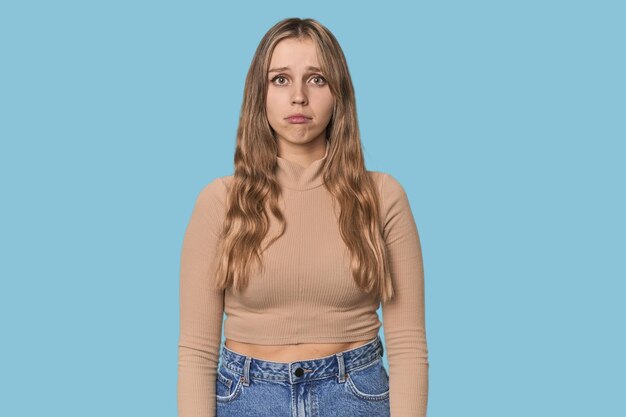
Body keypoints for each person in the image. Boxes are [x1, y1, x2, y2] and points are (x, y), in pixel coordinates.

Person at [177, 17, 429, 417]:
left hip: (355, 396)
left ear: (338, 93)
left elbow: (409, 346)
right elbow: (195, 352)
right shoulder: (219, 202)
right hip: (246, 399)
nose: (298, 97)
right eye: (280, 79)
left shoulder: (382, 196)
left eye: (316, 79)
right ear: (259, 94)